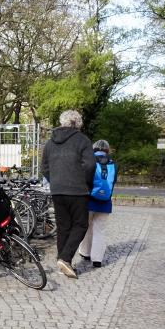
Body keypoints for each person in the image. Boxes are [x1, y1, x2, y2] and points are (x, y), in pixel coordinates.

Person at [41, 110, 96, 279]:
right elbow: (90, 165)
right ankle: (65, 258)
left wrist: (55, 181)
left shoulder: (50, 143)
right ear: (77, 123)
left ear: (63, 122)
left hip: (57, 190)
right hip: (77, 190)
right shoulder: (82, 140)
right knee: (81, 224)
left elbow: (44, 167)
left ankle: (63, 261)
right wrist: (85, 182)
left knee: (63, 226)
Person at [78, 140, 117, 268]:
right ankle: (97, 260)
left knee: (86, 227)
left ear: (93, 149)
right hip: (105, 202)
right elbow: (113, 182)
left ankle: (85, 252)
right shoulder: (113, 163)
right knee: (100, 230)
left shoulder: (90, 161)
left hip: (89, 200)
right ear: (107, 150)